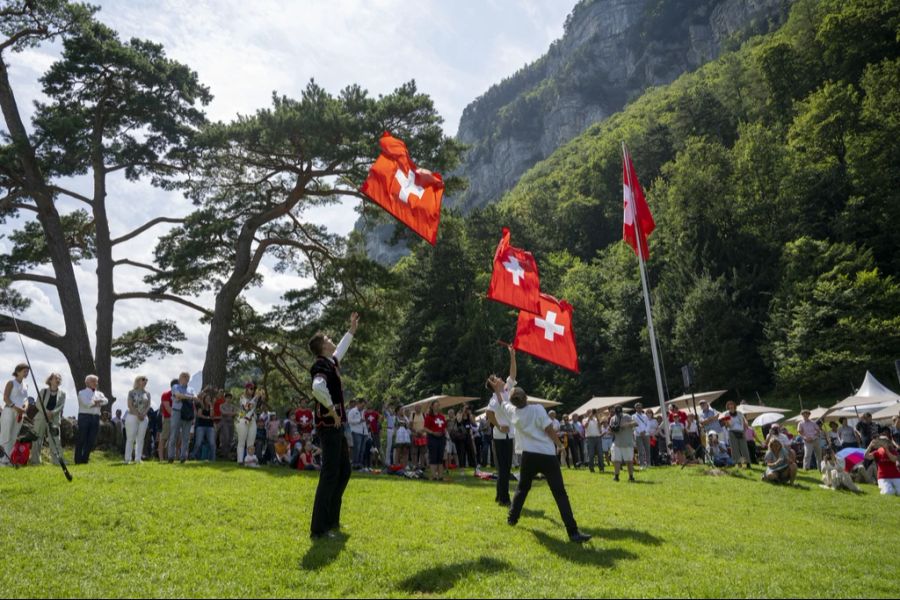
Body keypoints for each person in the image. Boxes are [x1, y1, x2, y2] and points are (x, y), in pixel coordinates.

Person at [487, 377, 591, 544]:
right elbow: (549, 429)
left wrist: (497, 389)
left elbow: (501, 401)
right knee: (560, 493)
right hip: (546, 455)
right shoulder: (537, 409)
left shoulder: (512, 412)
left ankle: (512, 518)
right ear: (526, 397)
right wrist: (559, 445)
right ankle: (573, 532)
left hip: (528, 456)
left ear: (513, 402)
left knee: (522, 489)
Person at [308, 312, 359, 540]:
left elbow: (341, 350)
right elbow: (317, 388)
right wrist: (331, 409)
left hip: (336, 424)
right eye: (327, 339)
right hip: (329, 424)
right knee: (330, 473)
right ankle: (319, 528)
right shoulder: (320, 366)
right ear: (322, 347)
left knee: (343, 471)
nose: (330, 340)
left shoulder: (330, 361)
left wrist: (352, 330)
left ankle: (332, 521)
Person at [487, 345, 517, 504]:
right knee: (504, 468)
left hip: (508, 435)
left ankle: (500, 496)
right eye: (495, 378)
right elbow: (489, 414)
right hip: (500, 437)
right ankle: (504, 498)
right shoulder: (494, 398)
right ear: (493, 384)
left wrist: (512, 355)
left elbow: (512, 374)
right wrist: (498, 426)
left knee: (505, 468)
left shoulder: (506, 390)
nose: (499, 378)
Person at [30, 372, 66, 466]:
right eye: (56, 378)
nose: (58, 380)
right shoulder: (43, 391)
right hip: (41, 418)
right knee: (37, 439)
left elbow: (61, 406)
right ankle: (35, 461)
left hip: (54, 419)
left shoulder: (63, 394)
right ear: (50, 380)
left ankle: (57, 461)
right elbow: (38, 403)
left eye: (59, 378)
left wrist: (52, 413)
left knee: (55, 440)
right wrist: (46, 412)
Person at [73, 375, 108, 464]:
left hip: (95, 417)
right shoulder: (82, 392)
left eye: (96, 381)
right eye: (93, 381)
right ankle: (78, 460)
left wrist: (95, 402)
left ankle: (85, 459)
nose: (95, 383)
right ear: (87, 382)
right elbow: (86, 404)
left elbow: (106, 401)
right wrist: (97, 402)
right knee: (82, 438)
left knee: (91, 439)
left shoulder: (99, 393)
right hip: (84, 416)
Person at [1, 363, 30, 465]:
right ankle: (2, 458)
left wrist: (25, 407)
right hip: (9, 411)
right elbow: (5, 398)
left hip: (20, 414)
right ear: (18, 371)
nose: (26, 373)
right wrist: (15, 407)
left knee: (13, 436)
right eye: (24, 371)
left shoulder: (26, 385)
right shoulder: (11, 383)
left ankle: (6, 460)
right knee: (6, 434)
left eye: (27, 371)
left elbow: (25, 399)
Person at [167, 372, 196, 464]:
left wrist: (182, 396)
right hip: (177, 412)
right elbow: (177, 395)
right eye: (183, 377)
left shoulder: (191, 389)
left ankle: (183, 457)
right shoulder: (175, 387)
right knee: (174, 435)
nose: (185, 378)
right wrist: (188, 397)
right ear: (179, 378)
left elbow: (195, 397)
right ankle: (171, 457)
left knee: (186, 437)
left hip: (187, 413)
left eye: (187, 377)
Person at [124, 375, 151, 465]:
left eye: (146, 380)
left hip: (144, 417)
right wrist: (137, 414)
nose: (145, 381)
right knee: (130, 438)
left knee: (141, 438)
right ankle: (127, 458)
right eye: (143, 379)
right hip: (132, 416)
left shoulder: (147, 394)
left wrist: (144, 414)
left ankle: (138, 458)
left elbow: (148, 406)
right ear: (138, 381)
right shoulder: (131, 392)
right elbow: (130, 405)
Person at [864, 429, 900, 495]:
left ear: (888, 443)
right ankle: (887, 488)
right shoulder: (878, 451)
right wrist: (870, 446)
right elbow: (866, 456)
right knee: (888, 492)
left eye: (884, 441)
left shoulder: (893, 451)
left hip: (895, 475)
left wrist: (886, 450)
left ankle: (893, 488)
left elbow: (894, 459)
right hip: (883, 477)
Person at [610, 405, 637, 482]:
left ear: (622, 411)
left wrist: (626, 425)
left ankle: (631, 476)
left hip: (627, 442)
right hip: (617, 442)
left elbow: (636, 423)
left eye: (619, 412)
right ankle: (616, 476)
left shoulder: (627, 416)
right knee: (616, 460)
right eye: (617, 412)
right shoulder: (612, 418)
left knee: (629, 461)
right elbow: (611, 429)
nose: (618, 414)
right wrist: (613, 429)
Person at [424, 400, 448, 481]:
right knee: (433, 457)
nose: (437, 407)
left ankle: (440, 476)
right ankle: (434, 476)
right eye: (436, 405)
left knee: (440, 457)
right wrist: (433, 433)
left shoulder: (442, 417)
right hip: (432, 438)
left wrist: (444, 433)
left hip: (441, 438)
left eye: (438, 405)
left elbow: (444, 427)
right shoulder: (428, 417)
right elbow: (425, 428)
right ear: (432, 407)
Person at [723, 401, 751, 468]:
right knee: (735, 449)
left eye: (731, 405)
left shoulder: (740, 413)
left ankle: (747, 463)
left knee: (744, 448)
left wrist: (744, 431)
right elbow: (727, 425)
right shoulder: (726, 414)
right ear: (728, 407)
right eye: (729, 406)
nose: (730, 407)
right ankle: (739, 463)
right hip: (732, 432)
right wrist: (726, 423)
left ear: (734, 406)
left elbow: (744, 423)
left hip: (741, 432)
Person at [236, 383, 258, 465]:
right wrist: (256, 397)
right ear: (246, 389)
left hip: (252, 421)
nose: (253, 391)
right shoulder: (242, 397)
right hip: (243, 420)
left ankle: (249, 461)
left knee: (251, 442)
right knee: (241, 442)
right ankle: (240, 461)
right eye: (251, 389)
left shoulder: (254, 399)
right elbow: (247, 407)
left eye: (253, 389)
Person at [192, 388, 216, 461]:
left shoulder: (211, 406)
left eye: (209, 398)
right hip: (201, 426)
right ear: (204, 399)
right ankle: (193, 456)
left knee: (212, 443)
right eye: (207, 398)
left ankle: (212, 459)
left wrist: (211, 406)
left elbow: (212, 416)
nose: (208, 400)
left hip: (210, 427)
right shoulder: (201, 405)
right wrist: (208, 417)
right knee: (198, 443)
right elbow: (199, 415)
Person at [158, 379, 176, 461]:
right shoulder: (165, 395)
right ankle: (161, 458)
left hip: (177, 420)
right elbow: (168, 409)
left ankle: (171, 457)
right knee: (164, 439)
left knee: (174, 440)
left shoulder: (180, 395)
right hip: (168, 419)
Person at [348, 399, 368, 469]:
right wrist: (359, 420)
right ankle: (355, 464)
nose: (363, 407)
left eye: (364, 405)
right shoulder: (353, 411)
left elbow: (364, 422)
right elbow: (349, 420)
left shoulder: (363, 412)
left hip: (364, 433)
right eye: (362, 405)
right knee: (357, 449)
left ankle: (360, 464)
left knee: (362, 450)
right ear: (358, 403)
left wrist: (366, 432)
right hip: (356, 432)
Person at [584, 409, 604, 473]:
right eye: (590, 413)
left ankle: (601, 468)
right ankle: (591, 468)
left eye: (592, 412)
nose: (591, 414)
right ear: (587, 413)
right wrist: (589, 418)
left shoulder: (596, 419)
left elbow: (600, 428)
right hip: (590, 438)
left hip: (598, 438)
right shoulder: (585, 419)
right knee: (591, 454)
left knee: (600, 454)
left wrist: (598, 418)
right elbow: (585, 426)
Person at [218, 392, 236, 460]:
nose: (228, 399)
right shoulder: (222, 405)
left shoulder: (233, 406)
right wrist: (231, 413)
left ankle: (227, 454)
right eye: (227, 398)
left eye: (230, 398)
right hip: (224, 423)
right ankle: (223, 454)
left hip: (231, 423)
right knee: (225, 438)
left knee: (230, 439)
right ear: (225, 398)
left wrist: (229, 413)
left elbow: (235, 413)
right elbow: (223, 413)